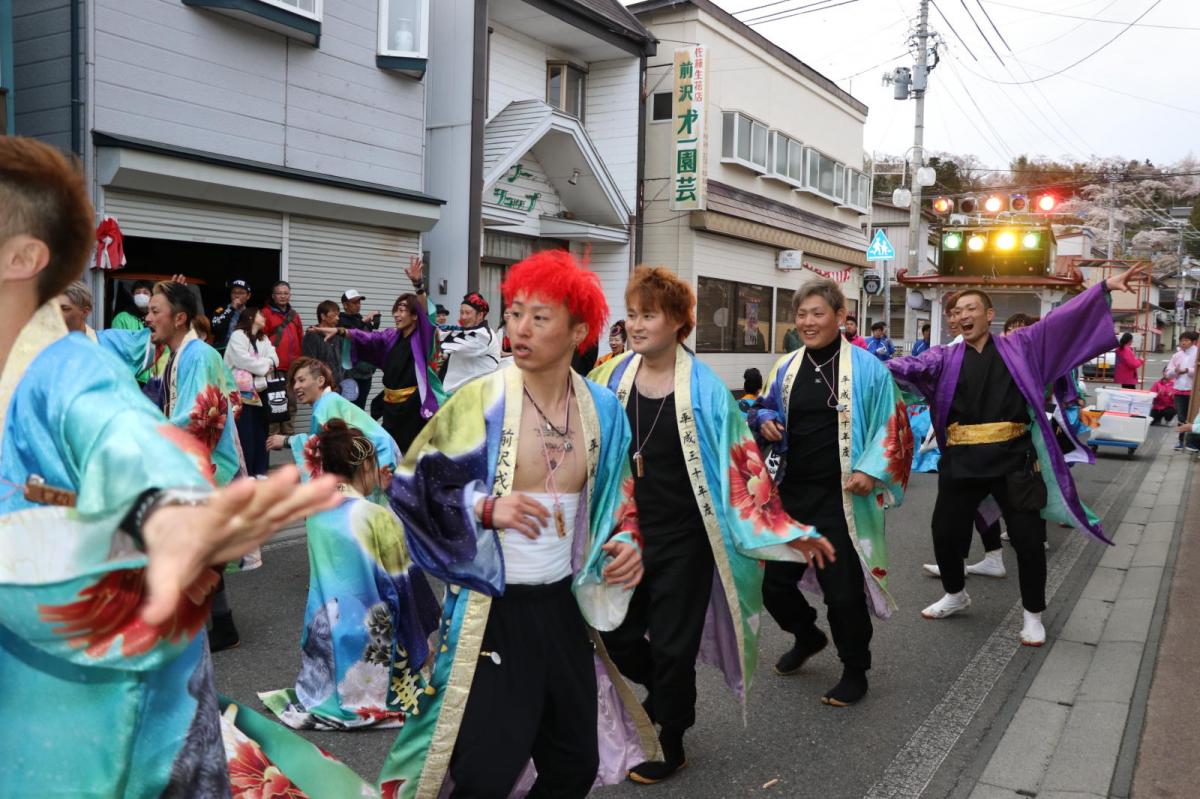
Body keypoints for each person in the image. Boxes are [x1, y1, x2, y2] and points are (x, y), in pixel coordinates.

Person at [0, 134, 345, 798]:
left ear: (23, 257)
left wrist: (165, 510)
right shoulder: (120, 352)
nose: (149, 317)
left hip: (93, 689)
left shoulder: (66, 370)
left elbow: (131, 440)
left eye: (157, 310)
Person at [378, 249, 651, 799]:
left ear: (579, 331)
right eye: (516, 313)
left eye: (539, 317)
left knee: (574, 763)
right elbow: (411, 487)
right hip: (492, 613)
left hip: (564, 609)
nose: (520, 328)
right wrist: (483, 507)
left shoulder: (603, 409)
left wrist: (628, 542)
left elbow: (620, 500)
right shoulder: (479, 401)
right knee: (484, 774)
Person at [589, 266, 833, 782]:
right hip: (624, 531)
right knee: (616, 633)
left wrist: (788, 530)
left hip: (686, 537)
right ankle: (665, 691)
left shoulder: (705, 390)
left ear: (679, 322)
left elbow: (744, 466)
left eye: (649, 315)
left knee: (673, 644)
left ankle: (671, 737)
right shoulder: (608, 378)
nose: (635, 325)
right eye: (631, 314)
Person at [888, 267, 1147, 647]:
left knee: (1027, 540)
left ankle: (1032, 615)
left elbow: (1061, 322)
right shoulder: (943, 357)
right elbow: (904, 369)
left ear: (989, 314)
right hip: (961, 462)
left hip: (1014, 461)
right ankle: (955, 593)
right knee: (945, 533)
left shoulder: (1020, 346)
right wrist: (864, 365)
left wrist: (1103, 287)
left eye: (970, 308)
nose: (962, 316)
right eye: (956, 312)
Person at [750, 278, 912, 707]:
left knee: (843, 593)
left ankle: (855, 669)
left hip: (841, 500)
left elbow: (894, 422)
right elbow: (761, 405)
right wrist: (764, 419)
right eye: (801, 314)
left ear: (840, 317)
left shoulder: (869, 368)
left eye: (817, 313)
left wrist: (870, 469)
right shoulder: (785, 366)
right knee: (772, 586)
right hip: (790, 495)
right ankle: (807, 634)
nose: (807, 321)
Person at [260, 419, 440, 730]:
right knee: (411, 630)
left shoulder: (316, 510)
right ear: (366, 465)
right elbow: (403, 586)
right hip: (371, 638)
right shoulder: (376, 516)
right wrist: (420, 642)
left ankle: (328, 694)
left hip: (324, 633)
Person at [146, 280, 249, 650]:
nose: (147, 318)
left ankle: (195, 624)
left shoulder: (198, 355)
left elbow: (197, 414)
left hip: (205, 464)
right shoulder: (178, 353)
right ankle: (219, 623)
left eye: (154, 311)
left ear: (179, 318)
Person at [311, 258, 445, 454]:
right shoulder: (392, 336)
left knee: (412, 452)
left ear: (415, 315)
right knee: (391, 451)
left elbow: (426, 315)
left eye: (402, 310)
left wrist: (418, 285)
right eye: (395, 310)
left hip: (413, 406)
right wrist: (341, 331)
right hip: (390, 406)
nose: (396, 315)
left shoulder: (422, 337)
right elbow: (368, 338)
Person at [267, 356, 400, 495]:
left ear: (320, 381)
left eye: (301, 380)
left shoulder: (327, 404)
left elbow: (328, 444)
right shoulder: (328, 401)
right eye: (294, 382)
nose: (296, 387)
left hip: (377, 461)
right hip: (376, 459)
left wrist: (287, 440)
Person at [224, 306, 278, 478]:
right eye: (260, 314)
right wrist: (266, 365)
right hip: (241, 392)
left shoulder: (264, 338)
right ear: (250, 317)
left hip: (261, 389)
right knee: (245, 431)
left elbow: (275, 358)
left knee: (262, 430)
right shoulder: (237, 336)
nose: (264, 317)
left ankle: (261, 470)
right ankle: (246, 472)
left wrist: (266, 363)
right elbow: (242, 360)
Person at [262, 280, 304, 436]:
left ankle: (288, 436)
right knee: (274, 402)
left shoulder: (294, 315)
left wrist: (301, 362)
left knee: (291, 402)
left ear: (290, 295)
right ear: (273, 296)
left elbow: (300, 338)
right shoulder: (265, 313)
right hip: (274, 367)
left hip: (293, 366)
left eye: (286, 293)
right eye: (279, 293)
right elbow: (261, 339)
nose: (283, 296)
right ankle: (273, 437)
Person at [439, 291, 502, 392]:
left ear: (480, 315)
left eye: (467, 313)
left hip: (471, 394)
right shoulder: (468, 331)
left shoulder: (483, 335)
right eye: (461, 312)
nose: (463, 317)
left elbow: (444, 340)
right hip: (456, 391)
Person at [339, 288, 382, 409]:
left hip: (366, 373)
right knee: (349, 409)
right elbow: (351, 334)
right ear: (345, 305)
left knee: (360, 409)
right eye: (354, 302)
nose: (358, 305)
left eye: (359, 302)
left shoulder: (361, 320)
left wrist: (373, 323)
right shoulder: (340, 321)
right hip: (350, 374)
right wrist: (365, 321)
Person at [304, 300, 350, 399]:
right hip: (322, 388)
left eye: (338, 315)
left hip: (340, 387)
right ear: (323, 316)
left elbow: (344, 361)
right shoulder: (312, 336)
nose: (338, 318)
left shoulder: (338, 335)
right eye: (334, 315)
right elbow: (310, 363)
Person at [1166, 331, 1198, 450]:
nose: (1183, 343)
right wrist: (1175, 371)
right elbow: (1168, 373)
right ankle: (1181, 441)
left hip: (1194, 390)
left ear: (1193, 342)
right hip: (1179, 389)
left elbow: (1197, 370)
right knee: (1181, 416)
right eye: (1181, 340)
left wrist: (1186, 370)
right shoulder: (1177, 355)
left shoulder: (1197, 353)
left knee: (1194, 417)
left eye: (1186, 340)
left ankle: (1192, 442)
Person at [210, 278, 252, 351]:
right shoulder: (221, 309)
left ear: (248, 296)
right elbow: (215, 327)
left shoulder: (251, 313)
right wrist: (231, 309)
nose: (237, 296)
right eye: (234, 292)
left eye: (241, 293)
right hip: (222, 350)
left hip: (243, 350)